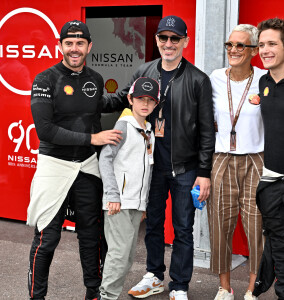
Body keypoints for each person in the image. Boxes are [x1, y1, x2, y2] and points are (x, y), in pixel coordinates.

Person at [103, 15, 215, 300]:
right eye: (163, 38)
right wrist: (86, 101)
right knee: (152, 224)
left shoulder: (198, 80)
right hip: (150, 166)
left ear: (185, 42)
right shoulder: (145, 69)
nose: (168, 43)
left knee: (182, 228)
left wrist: (204, 172)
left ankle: (179, 285)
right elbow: (124, 101)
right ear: (156, 40)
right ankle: (154, 275)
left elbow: (205, 130)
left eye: (175, 39)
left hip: (185, 168)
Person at [26, 20, 123, 300]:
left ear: (89, 46)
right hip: (53, 163)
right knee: (47, 237)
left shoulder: (95, 78)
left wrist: (130, 97)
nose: (74, 48)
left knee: (91, 237)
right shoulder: (45, 79)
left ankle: (93, 293)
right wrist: (93, 139)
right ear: (60, 46)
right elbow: (45, 130)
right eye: (68, 43)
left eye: (80, 43)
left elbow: (94, 107)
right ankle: (37, 296)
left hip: (87, 166)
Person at [208, 24, 267, 300]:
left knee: (257, 225)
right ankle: (224, 287)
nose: (233, 50)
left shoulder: (267, 80)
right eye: (229, 44)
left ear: (254, 50)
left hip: (257, 160)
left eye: (240, 45)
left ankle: (252, 289)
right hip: (221, 159)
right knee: (220, 224)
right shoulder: (215, 78)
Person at [98, 77, 159, 300]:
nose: (145, 104)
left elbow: (147, 169)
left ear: (155, 104)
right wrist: (112, 195)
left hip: (136, 203)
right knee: (119, 253)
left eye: (150, 100)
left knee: (129, 255)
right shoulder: (123, 125)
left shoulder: (148, 130)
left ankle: (108, 294)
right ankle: (107, 296)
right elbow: (105, 159)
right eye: (140, 99)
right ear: (130, 99)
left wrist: (144, 204)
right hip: (119, 202)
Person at [252, 17, 284, 300]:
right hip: (271, 180)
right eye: (262, 45)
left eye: (272, 44)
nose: (265, 50)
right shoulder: (263, 82)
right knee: (278, 242)